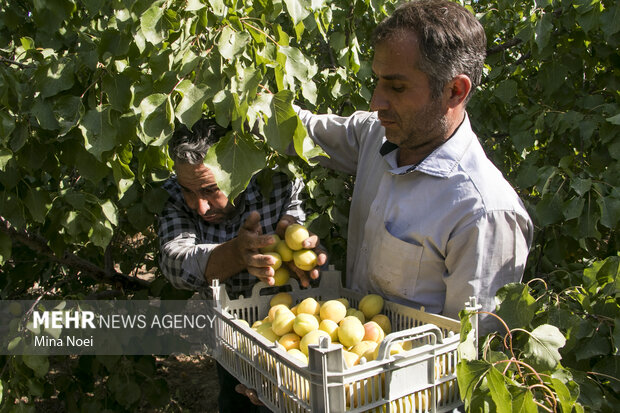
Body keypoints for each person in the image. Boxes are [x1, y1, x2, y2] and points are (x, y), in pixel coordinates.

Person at [293, 0, 533, 334]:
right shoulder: (374, 135)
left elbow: (468, 355)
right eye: (378, 81)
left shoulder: (483, 212)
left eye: (397, 87)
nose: (376, 102)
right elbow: (294, 129)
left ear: (454, 90)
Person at [157, 118, 324, 412]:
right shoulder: (174, 197)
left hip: (290, 335)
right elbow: (175, 263)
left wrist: (298, 243)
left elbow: (295, 224)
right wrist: (236, 254)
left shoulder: (277, 182)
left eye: (210, 189)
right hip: (231, 340)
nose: (200, 207)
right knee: (236, 403)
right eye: (189, 191)